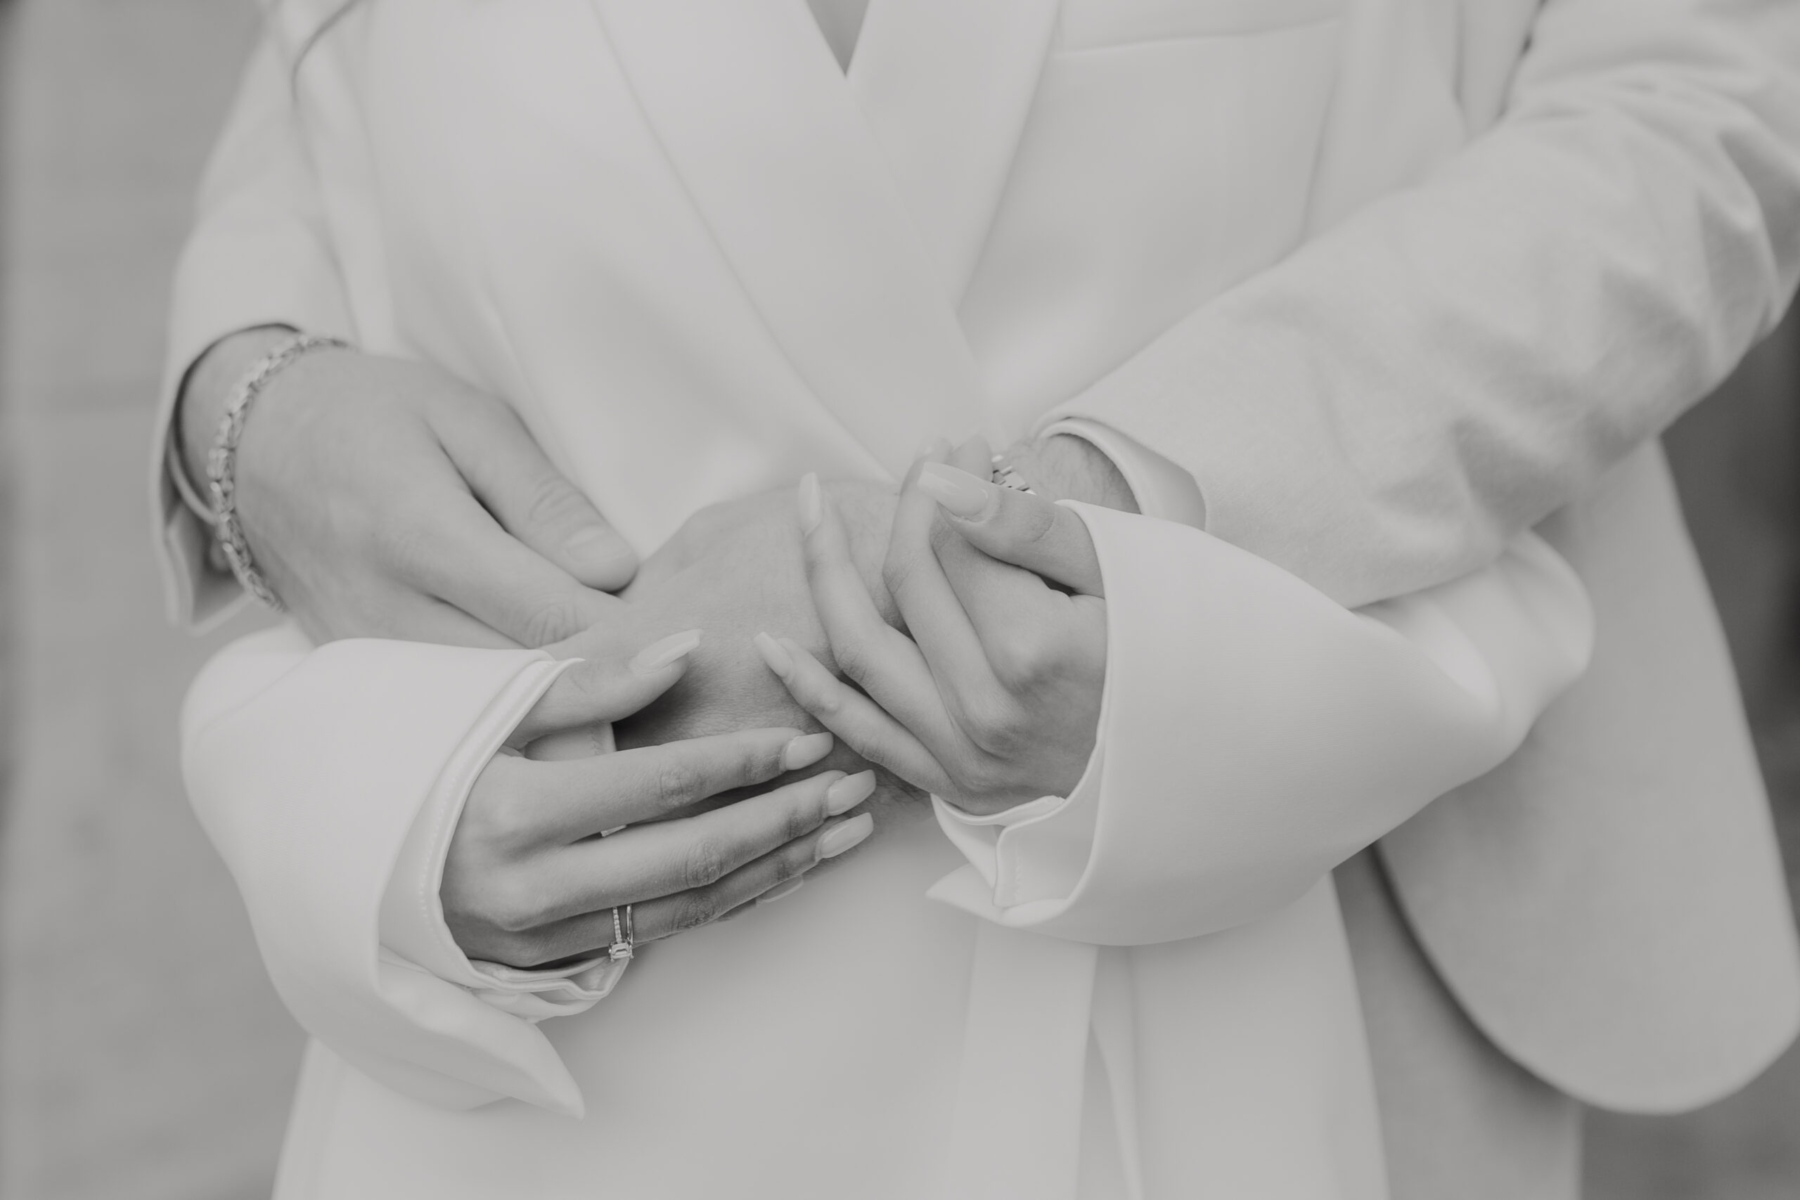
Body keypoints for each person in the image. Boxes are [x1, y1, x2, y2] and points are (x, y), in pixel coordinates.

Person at [156, 1, 1800, 1197]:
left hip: (1285, 912)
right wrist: (247, 390)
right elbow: (324, 82)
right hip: (526, 1015)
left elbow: (1695, 94)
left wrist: (1093, 515)